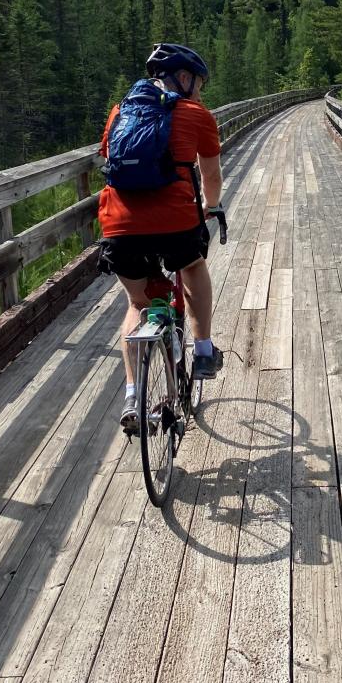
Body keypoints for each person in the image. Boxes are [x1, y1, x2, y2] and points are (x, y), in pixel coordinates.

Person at [97, 43, 226, 432]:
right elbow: (212, 177)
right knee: (192, 266)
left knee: (138, 303)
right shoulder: (195, 113)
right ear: (182, 79)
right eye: (198, 83)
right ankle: (203, 349)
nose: (199, 92)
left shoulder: (120, 112)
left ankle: (133, 397)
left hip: (118, 225)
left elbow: (108, 160)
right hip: (175, 222)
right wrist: (212, 206)